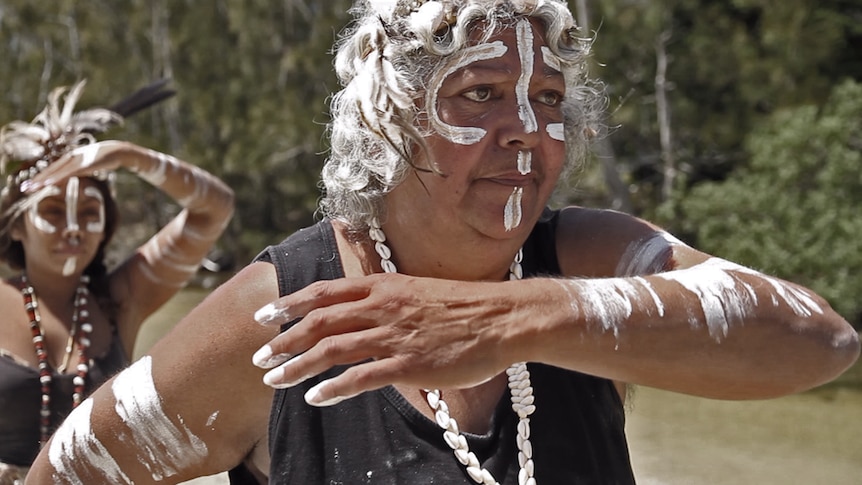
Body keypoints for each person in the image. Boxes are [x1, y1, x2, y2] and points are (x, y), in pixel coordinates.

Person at [26, 1, 860, 484]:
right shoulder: (287, 312)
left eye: (549, 95)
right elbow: (66, 473)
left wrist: (508, 320)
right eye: (483, 93)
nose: (527, 130)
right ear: (386, 118)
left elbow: (819, 340)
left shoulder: (585, 256)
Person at [0, 79, 234, 484]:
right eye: (53, 211)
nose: (73, 229)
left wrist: (129, 157)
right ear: (17, 226)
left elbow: (214, 208)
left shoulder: (122, 300)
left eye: (89, 211)